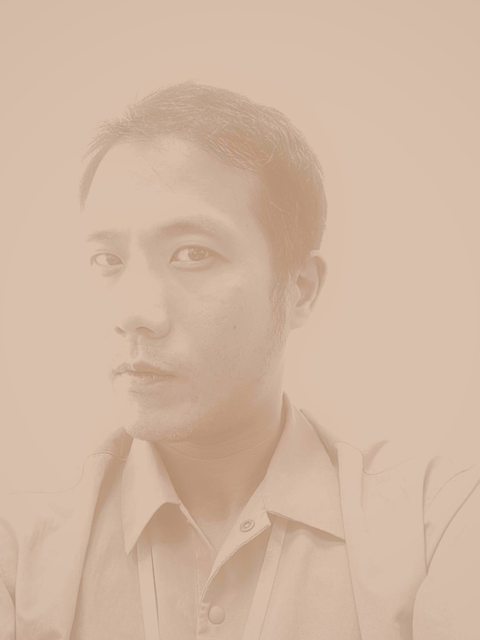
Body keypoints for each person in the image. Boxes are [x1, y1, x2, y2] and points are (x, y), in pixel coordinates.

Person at [0, 82, 478, 639]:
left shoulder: (434, 524)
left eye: (192, 254)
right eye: (108, 259)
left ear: (300, 288)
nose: (134, 313)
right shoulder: (19, 550)